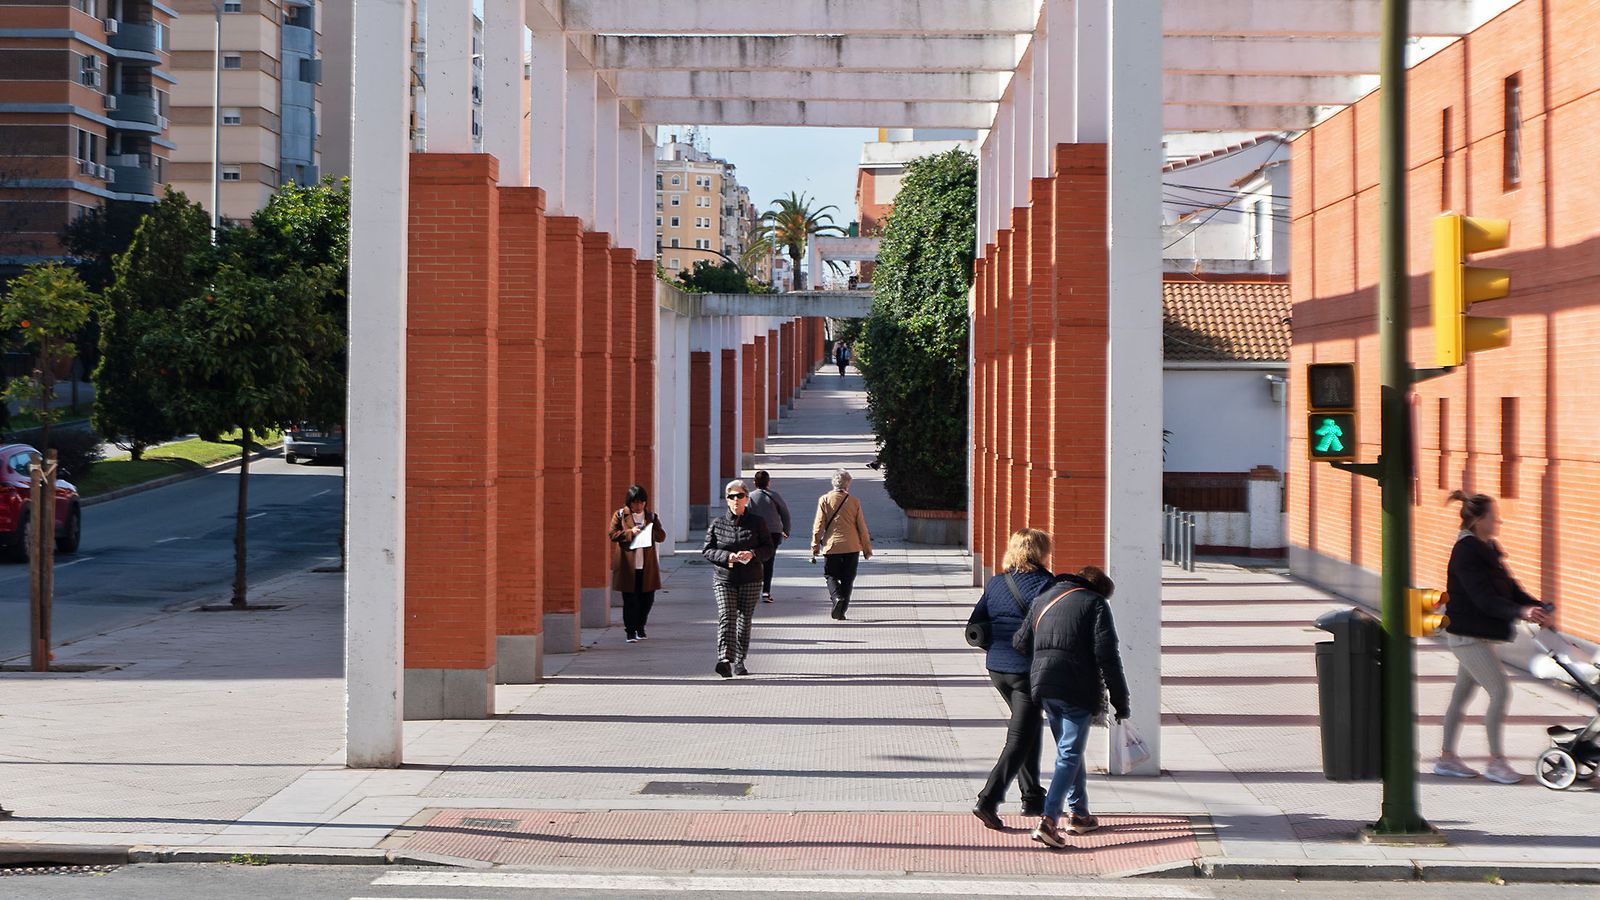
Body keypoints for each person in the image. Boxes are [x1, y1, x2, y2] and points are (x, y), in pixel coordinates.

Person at [1434, 491, 1552, 784]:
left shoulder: (1487, 548)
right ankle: (1496, 763)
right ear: (1477, 520)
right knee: (1500, 691)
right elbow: (1484, 599)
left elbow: (1510, 587)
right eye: (1492, 515)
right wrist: (1521, 612)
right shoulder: (1465, 553)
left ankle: (1447, 759)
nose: (1498, 520)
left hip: (1479, 634)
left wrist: (1533, 604)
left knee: (1461, 696)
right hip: (1466, 637)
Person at [1012, 565, 1129, 849]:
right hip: (1076, 686)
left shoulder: (1044, 598)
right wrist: (1120, 698)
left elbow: (1020, 642)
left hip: (1044, 685)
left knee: (1070, 751)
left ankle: (1078, 814)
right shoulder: (1095, 603)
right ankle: (1049, 820)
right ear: (1100, 590)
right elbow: (1107, 654)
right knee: (1069, 753)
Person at [967, 528, 1057, 829]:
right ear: (1041, 552)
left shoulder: (996, 583)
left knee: (1028, 727)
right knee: (1020, 737)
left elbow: (975, 624)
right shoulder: (1047, 585)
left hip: (998, 668)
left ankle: (1032, 797)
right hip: (1027, 672)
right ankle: (987, 800)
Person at [702, 479, 775, 678]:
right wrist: (727, 557)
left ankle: (740, 660)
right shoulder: (717, 524)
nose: (735, 500)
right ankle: (724, 659)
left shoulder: (757, 523)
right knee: (727, 616)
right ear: (726, 500)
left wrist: (752, 554)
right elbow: (707, 550)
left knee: (744, 620)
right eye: (731, 497)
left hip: (751, 578)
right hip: (724, 578)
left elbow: (768, 548)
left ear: (746, 498)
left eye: (739, 496)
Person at [810, 469, 873, 620]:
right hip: (852, 547)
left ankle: (837, 598)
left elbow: (819, 525)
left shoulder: (824, 499)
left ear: (833, 483)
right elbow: (862, 527)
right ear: (848, 484)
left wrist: (814, 546)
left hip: (832, 547)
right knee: (848, 579)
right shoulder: (854, 501)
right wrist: (866, 549)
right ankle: (841, 611)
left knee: (830, 575)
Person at [609, 484, 667, 643]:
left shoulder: (651, 517)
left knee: (647, 599)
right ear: (629, 502)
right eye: (635, 502)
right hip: (628, 567)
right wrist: (630, 533)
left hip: (647, 567)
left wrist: (650, 532)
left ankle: (641, 627)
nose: (639, 506)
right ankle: (630, 631)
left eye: (642, 502)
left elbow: (662, 536)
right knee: (630, 601)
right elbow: (612, 534)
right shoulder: (620, 515)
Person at [746, 470, 791, 604]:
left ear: (754, 482)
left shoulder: (750, 497)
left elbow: (745, 515)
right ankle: (766, 592)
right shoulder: (775, 496)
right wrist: (786, 530)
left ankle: (752, 591)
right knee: (769, 562)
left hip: (756, 534)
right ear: (769, 482)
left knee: (755, 561)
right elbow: (785, 514)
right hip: (774, 533)